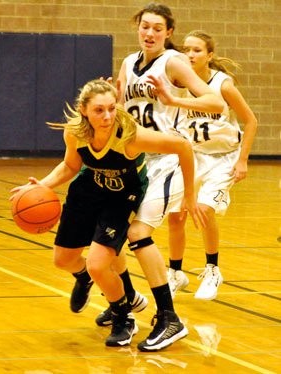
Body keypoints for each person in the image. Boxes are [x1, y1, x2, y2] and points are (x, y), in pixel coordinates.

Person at [10, 79, 203, 349]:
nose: (108, 116)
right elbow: (69, 166)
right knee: (63, 259)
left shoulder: (130, 136)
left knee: (99, 263)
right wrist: (41, 186)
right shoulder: (75, 133)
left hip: (122, 195)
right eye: (99, 110)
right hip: (88, 188)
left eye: (112, 108)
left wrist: (190, 195)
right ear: (84, 110)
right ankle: (99, 284)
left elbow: (183, 147)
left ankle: (123, 317)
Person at [94, 3, 224, 352]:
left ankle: (169, 318)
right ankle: (125, 300)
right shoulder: (128, 62)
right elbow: (125, 109)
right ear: (138, 28)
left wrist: (172, 99)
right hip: (137, 158)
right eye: (144, 27)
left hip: (169, 158)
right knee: (114, 231)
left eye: (157, 28)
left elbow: (215, 103)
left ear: (168, 33)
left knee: (138, 234)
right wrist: (114, 99)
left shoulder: (173, 62)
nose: (149, 33)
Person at [165, 30, 258, 300]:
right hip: (192, 155)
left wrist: (242, 160)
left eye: (196, 50)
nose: (190, 54)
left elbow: (251, 122)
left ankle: (213, 269)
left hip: (223, 158)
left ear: (209, 55)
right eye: (186, 50)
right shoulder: (179, 83)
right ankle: (175, 273)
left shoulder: (223, 85)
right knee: (176, 215)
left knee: (204, 210)